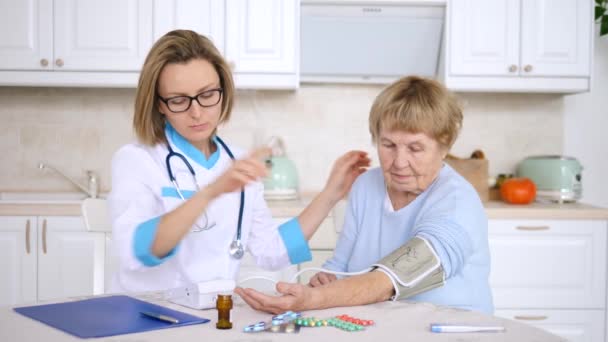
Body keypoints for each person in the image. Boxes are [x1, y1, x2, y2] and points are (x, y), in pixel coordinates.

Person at [107, 30, 370, 293]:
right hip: (148, 314)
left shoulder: (236, 161)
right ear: (159, 105)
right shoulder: (136, 160)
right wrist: (212, 191)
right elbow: (138, 249)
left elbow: (272, 251)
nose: (196, 112)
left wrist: (330, 194)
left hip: (213, 316)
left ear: (223, 90)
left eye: (207, 94)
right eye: (178, 100)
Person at [236, 76, 493, 314]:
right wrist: (327, 282)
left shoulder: (456, 202)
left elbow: (398, 277)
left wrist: (315, 299)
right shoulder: (366, 186)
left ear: (445, 146)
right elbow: (341, 268)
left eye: (415, 148)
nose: (399, 162)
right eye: (388, 145)